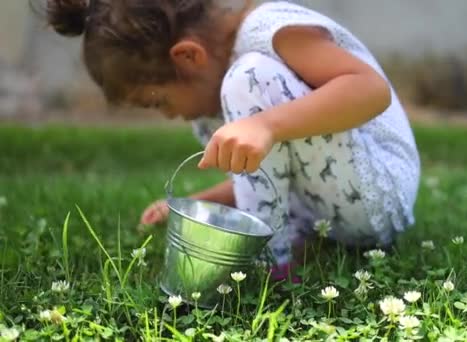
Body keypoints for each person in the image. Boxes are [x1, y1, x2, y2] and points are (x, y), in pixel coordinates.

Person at [46, 0, 420, 277]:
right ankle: (292, 246)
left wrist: (267, 125)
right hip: (330, 212)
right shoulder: (218, 103)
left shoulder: (268, 34)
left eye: (158, 100)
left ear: (188, 56)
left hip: (379, 192)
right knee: (241, 96)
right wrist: (196, 201)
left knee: (247, 79)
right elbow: (273, 169)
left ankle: (265, 263)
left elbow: (370, 89)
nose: (168, 114)